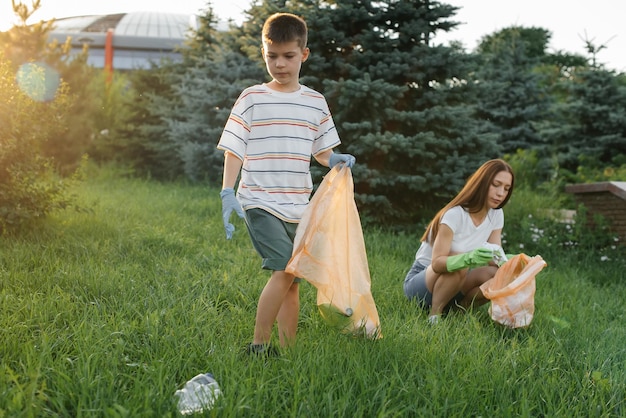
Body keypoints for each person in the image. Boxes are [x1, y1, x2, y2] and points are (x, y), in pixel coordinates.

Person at [217, 12, 355, 355]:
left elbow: (322, 150)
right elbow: (234, 147)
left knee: (292, 280)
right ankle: (258, 345)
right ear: (264, 53)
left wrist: (334, 159)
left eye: (288, 56)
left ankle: (287, 350)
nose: (279, 64)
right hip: (259, 200)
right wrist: (227, 191)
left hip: (298, 204)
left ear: (303, 55)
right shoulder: (252, 98)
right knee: (282, 268)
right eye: (272, 56)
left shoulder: (314, 102)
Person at [403, 159, 515, 324]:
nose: (501, 193)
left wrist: (515, 263)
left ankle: (459, 310)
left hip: (453, 283)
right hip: (422, 285)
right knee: (458, 261)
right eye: (496, 185)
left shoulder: (496, 214)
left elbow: (495, 256)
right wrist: (468, 258)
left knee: (499, 275)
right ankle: (434, 316)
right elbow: (437, 264)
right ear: (482, 183)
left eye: (506, 189)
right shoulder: (455, 214)